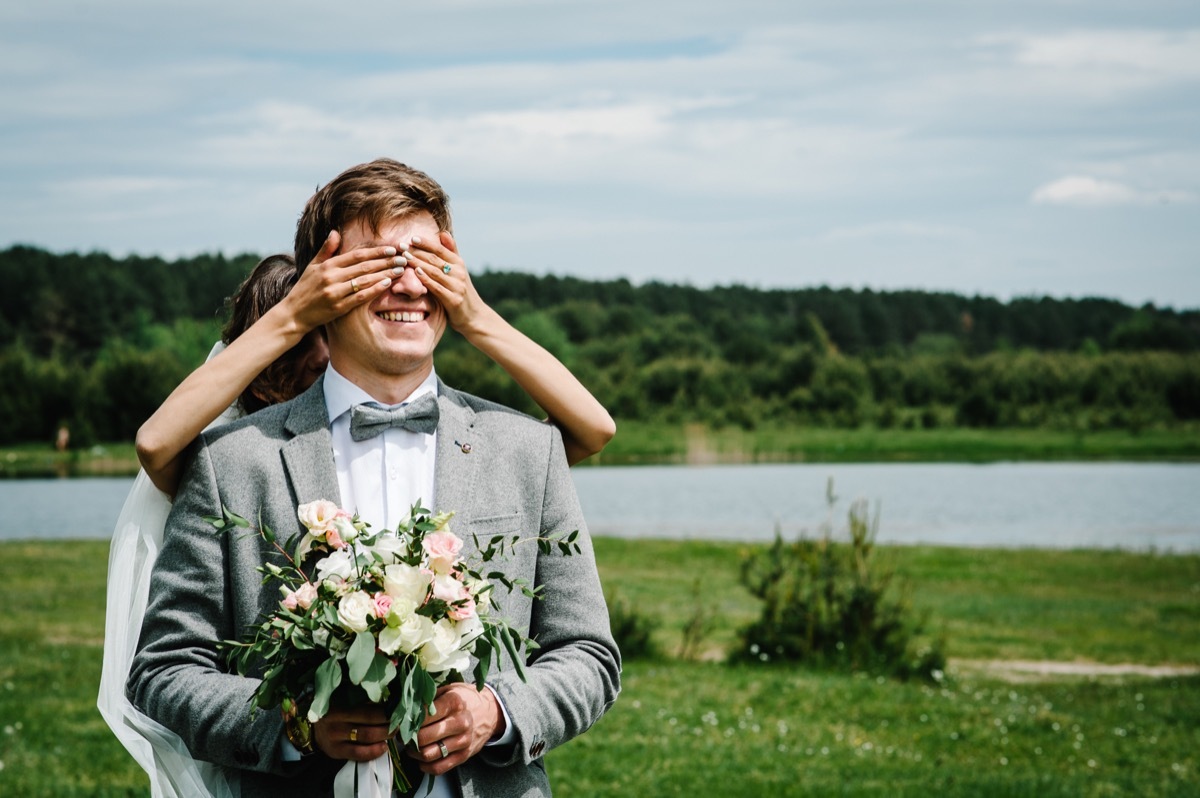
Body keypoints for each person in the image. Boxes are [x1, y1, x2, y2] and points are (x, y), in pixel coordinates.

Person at [125, 158, 621, 798]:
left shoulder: (530, 451)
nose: (408, 284)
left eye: (426, 260)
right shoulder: (231, 463)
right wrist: (292, 723)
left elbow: (589, 656)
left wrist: (497, 713)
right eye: (378, 263)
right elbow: (165, 669)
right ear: (322, 287)